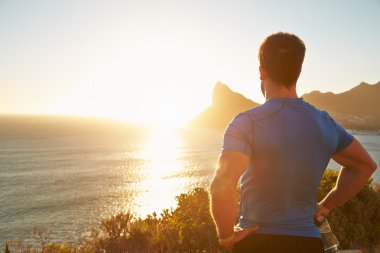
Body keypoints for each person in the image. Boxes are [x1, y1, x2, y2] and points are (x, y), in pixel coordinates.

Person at [209, 32, 377, 253]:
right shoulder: (325, 122)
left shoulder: (246, 122)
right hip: (308, 243)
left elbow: (222, 184)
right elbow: (365, 166)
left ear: (261, 71)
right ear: (298, 71)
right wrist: (326, 205)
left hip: (257, 241)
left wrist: (226, 235)